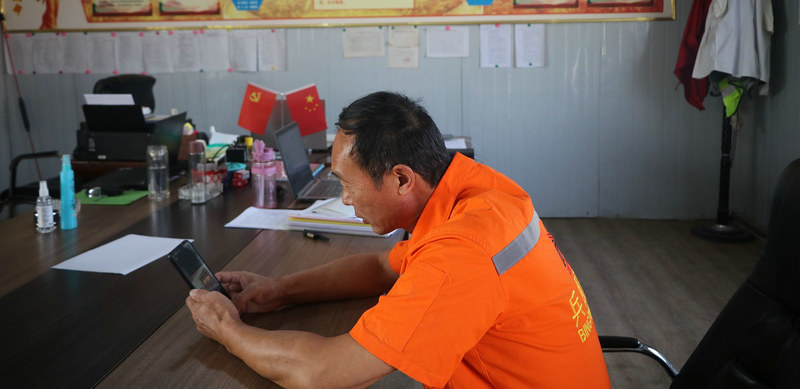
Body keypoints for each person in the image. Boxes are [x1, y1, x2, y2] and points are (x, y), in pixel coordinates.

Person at [186, 91, 611, 388]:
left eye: (347, 185)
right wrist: (278, 290)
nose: (345, 199)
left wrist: (227, 329)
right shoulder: (477, 191)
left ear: (402, 179)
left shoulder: (461, 253)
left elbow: (321, 372)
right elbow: (380, 268)